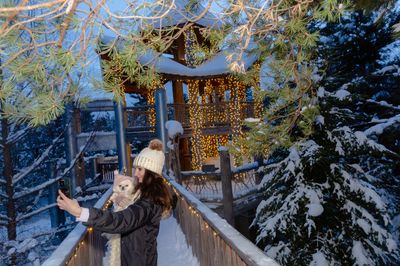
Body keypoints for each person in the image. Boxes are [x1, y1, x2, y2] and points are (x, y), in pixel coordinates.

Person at [57, 139, 172, 266]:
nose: (135, 173)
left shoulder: (150, 201)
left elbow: (121, 221)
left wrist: (81, 212)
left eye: (140, 169)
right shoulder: (144, 192)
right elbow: (125, 192)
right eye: (135, 168)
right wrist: (118, 198)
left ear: (151, 173)